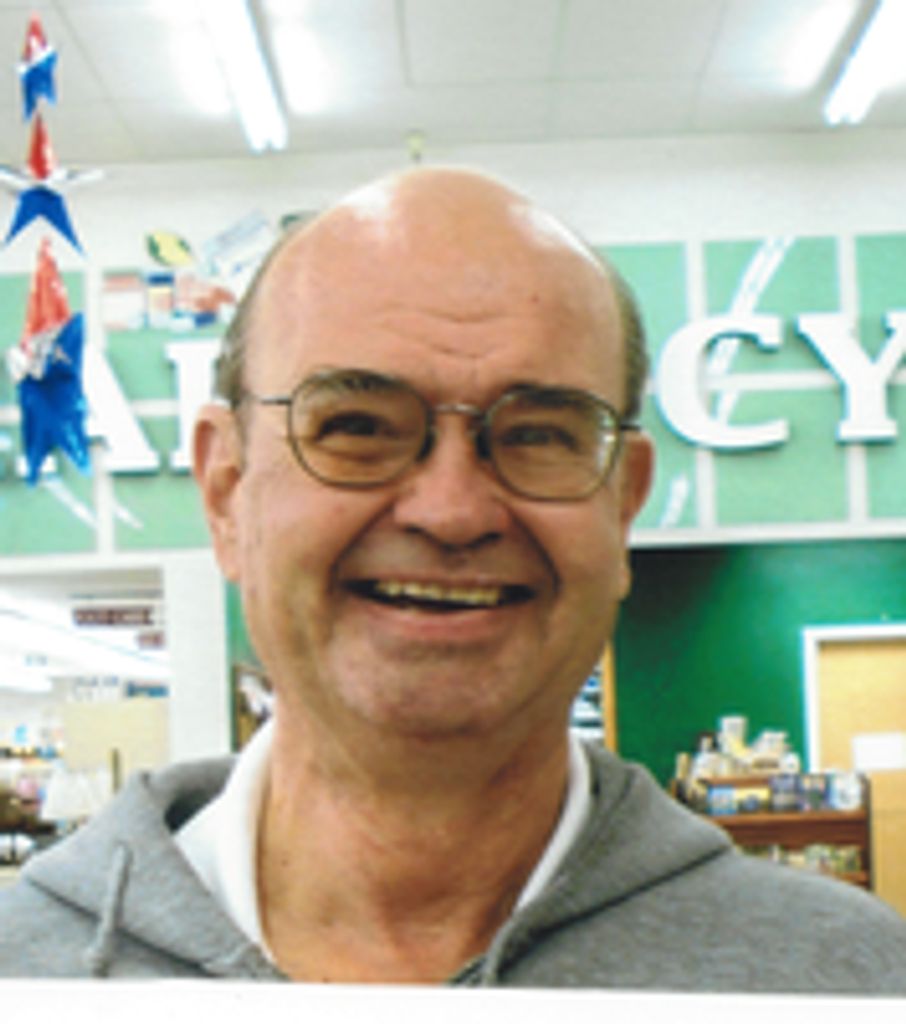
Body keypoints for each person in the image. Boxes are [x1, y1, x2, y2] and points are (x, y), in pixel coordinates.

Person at [1, 167, 905, 990]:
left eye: (539, 433)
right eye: (357, 426)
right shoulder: (26, 972)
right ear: (227, 490)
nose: (452, 510)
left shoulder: (846, 980)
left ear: (623, 504)